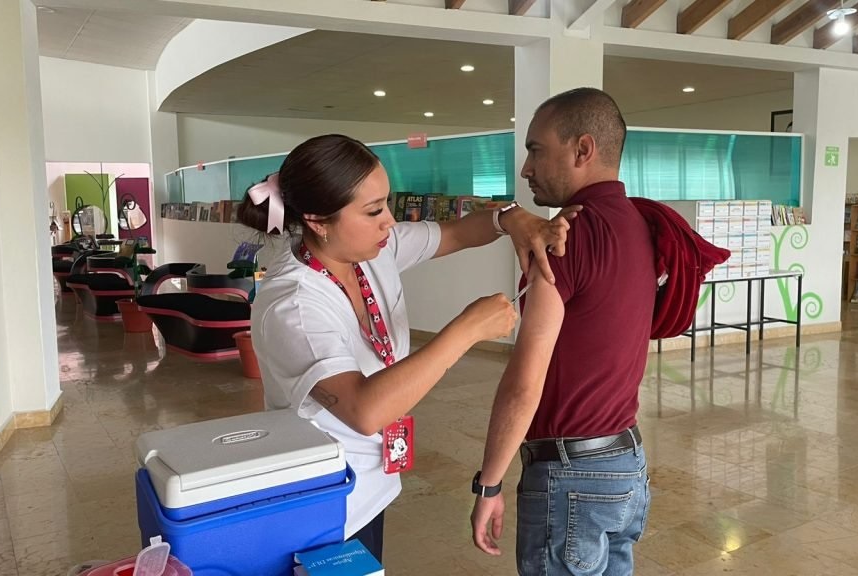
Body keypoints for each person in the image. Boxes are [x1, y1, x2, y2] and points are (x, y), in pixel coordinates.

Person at [236, 134, 578, 562]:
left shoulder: (369, 250)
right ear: (318, 220)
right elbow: (365, 410)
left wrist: (510, 218)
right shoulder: (294, 305)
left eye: (387, 204)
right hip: (321, 503)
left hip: (369, 488)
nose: (390, 222)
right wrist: (465, 330)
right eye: (373, 210)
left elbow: (457, 233)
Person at [469, 88, 656, 575]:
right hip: (626, 463)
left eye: (535, 150)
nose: (526, 168)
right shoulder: (638, 222)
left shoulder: (565, 239)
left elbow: (524, 382)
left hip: (573, 477)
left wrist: (489, 484)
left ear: (582, 149)